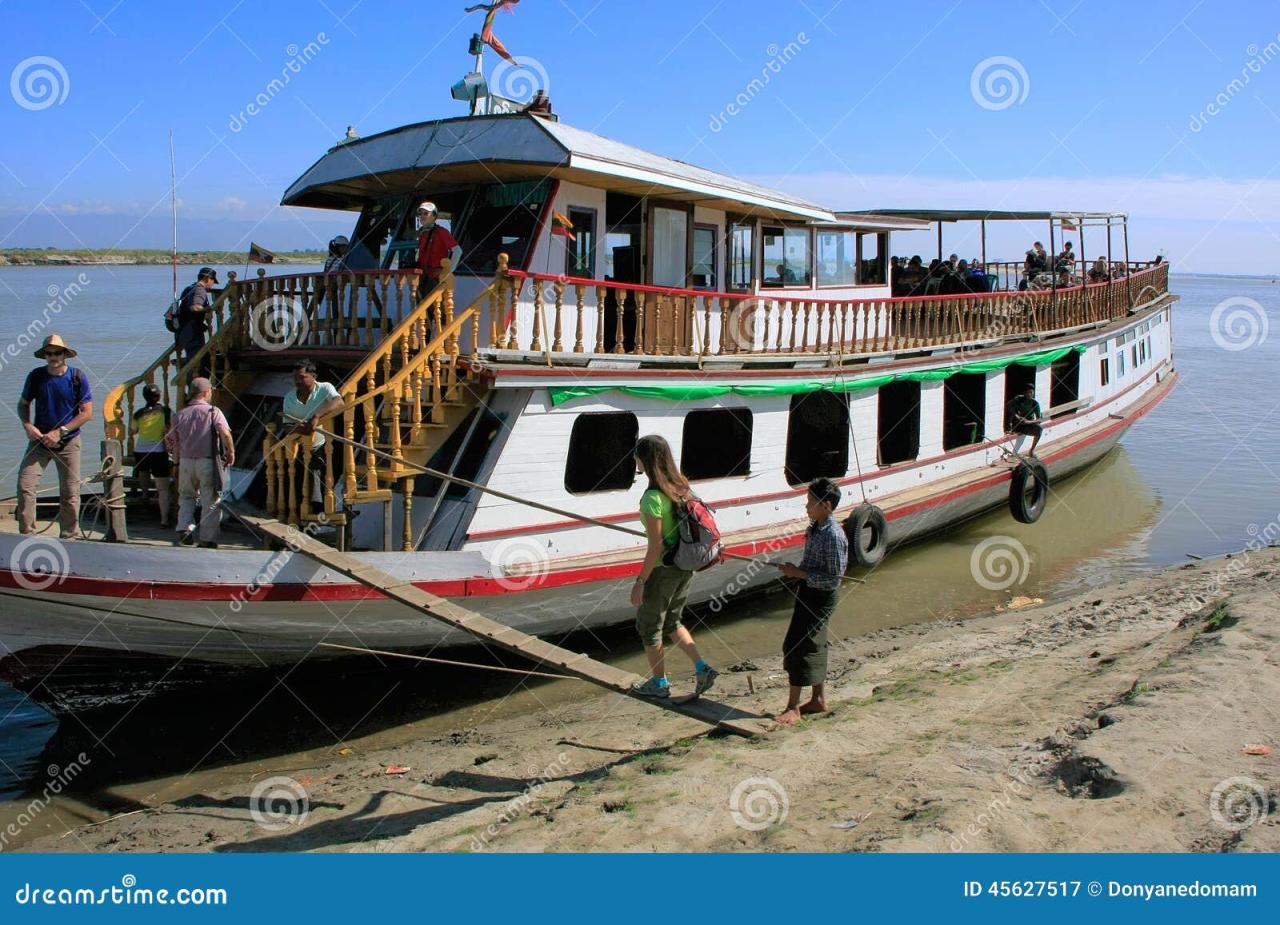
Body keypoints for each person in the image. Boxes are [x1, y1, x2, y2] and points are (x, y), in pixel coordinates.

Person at [629, 435, 718, 699]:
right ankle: (702, 667)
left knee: (649, 627)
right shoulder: (681, 487)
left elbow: (655, 547)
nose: (634, 459)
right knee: (672, 621)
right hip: (684, 565)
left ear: (644, 460)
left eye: (637, 455)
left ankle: (659, 684)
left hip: (663, 570)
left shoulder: (652, 499)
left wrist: (640, 582)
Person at [776, 478, 849, 725]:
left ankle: (793, 707)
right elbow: (813, 566)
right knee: (814, 643)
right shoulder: (816, 528)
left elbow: (833, 579)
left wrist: (799, 574)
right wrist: (796, 571)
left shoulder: (833, 536)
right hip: (808, 591)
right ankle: (818, 699)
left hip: (820, 596)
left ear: (826, 505)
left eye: (811, 503)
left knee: (798, 644)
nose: (807, 507)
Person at [16, 334, 93, 539]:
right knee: (25, 487)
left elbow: (86, 412)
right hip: (39, 441)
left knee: (70, 494)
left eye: (57, 352)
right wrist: (27, 425)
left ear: (65, 354)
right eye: (49, 353)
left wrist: (61, 431)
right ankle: (26, 535)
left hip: (69, 442)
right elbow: (23, 404)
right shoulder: (36, 376)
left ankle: (69, 536)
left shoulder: (77, 377)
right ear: (45, 356)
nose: (53, 356)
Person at [165, 377, 234, 547]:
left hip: (186, 462)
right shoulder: (213, 412)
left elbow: (172, 443)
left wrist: (175, 464)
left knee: (186, 497)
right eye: (210, 391)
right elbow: (225, 433)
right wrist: (230, 451)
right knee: (210, 500)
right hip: (207, 462)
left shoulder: (179, 414)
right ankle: (207, 538)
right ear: (205, 392)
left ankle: (184, 528)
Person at [283, 359, 344, 505]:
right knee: (297, 482)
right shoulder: (289, 398)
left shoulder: (325, 388)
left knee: (319, 478)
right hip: (298, 448)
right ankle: (305, 512)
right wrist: (300, 429)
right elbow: (286, 426)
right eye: (295, 377)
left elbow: (339, 402)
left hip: (321, 446)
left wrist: (316, 416)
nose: (298, 381)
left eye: (302, 377)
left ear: (313, 377)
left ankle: (319, 511)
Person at [132, 382, 173, 528]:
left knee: (143, 472)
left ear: (144, 397)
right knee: (163, 488)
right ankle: (164, 520)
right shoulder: (166, 412)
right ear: (159, 395)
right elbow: (172, 428)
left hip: (141, 450)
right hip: (159, 451)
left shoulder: (138, 413)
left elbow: (133, 431)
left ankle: (144, 494)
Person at [176, 267, 219, 373]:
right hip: (192, 331)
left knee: (194, 361)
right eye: (213, 281)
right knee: (199, 362)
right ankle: (196, 387)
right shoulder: (200, 289)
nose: (212, 284)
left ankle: (194, 385)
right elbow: (195, 307)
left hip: (183, 330)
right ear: (207, 278)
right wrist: (208, 309)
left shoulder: (189, 288)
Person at [415, 202, 461, 299]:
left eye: (426, 213)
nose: (422, 216)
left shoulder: (441, 232)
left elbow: (457, 251)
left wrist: (447, 272)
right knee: (422, 309)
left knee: (436, 310)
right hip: (423, 277)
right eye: (420, 214)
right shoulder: (422, 233)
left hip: (435, 278)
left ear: (434, 216)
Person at [1006, 382, 1043, 457]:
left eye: (1031, 392)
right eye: (1027, 392)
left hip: (1026, 425)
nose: (1029, 394)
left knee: (1039, 429)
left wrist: (1028, 421)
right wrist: (1017, 416)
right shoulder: (1018, 399)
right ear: (1024, 393)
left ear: (1033, 393)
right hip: (1017, 424)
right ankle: (1009, 429)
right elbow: (1009, 406)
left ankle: (1031, 450)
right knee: (1011, 416)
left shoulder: (1035, 403)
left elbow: (1039, 419)